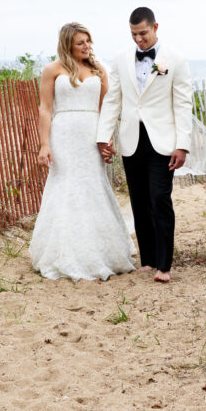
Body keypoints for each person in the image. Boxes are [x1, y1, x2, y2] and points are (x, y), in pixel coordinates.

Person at [28, 22, 136, 281]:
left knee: (93, 185)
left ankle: (101, 249)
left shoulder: (99, 70)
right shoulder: (52, 70)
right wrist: (44, 144)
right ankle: (62, 252)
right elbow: (45, 108)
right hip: (64, 134)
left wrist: (106, 139)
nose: (87, 46)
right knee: (65, 186)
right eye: (80, 42)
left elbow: (106, 109)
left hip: (91, 134)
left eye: (88, 41)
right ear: (68, 44)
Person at [96, 7, 192, 283]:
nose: (139, 40)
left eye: (143, 33)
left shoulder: (176, 59)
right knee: (139, 200)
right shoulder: (121, 60)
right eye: (133, 35)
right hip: (131, 141)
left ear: (155, 27)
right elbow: (113, 99)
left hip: (163, 143)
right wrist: (104, 136)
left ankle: (164, 265)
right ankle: (148, 259)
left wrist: (182, 145)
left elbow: (184, 104)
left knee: (159, 198)